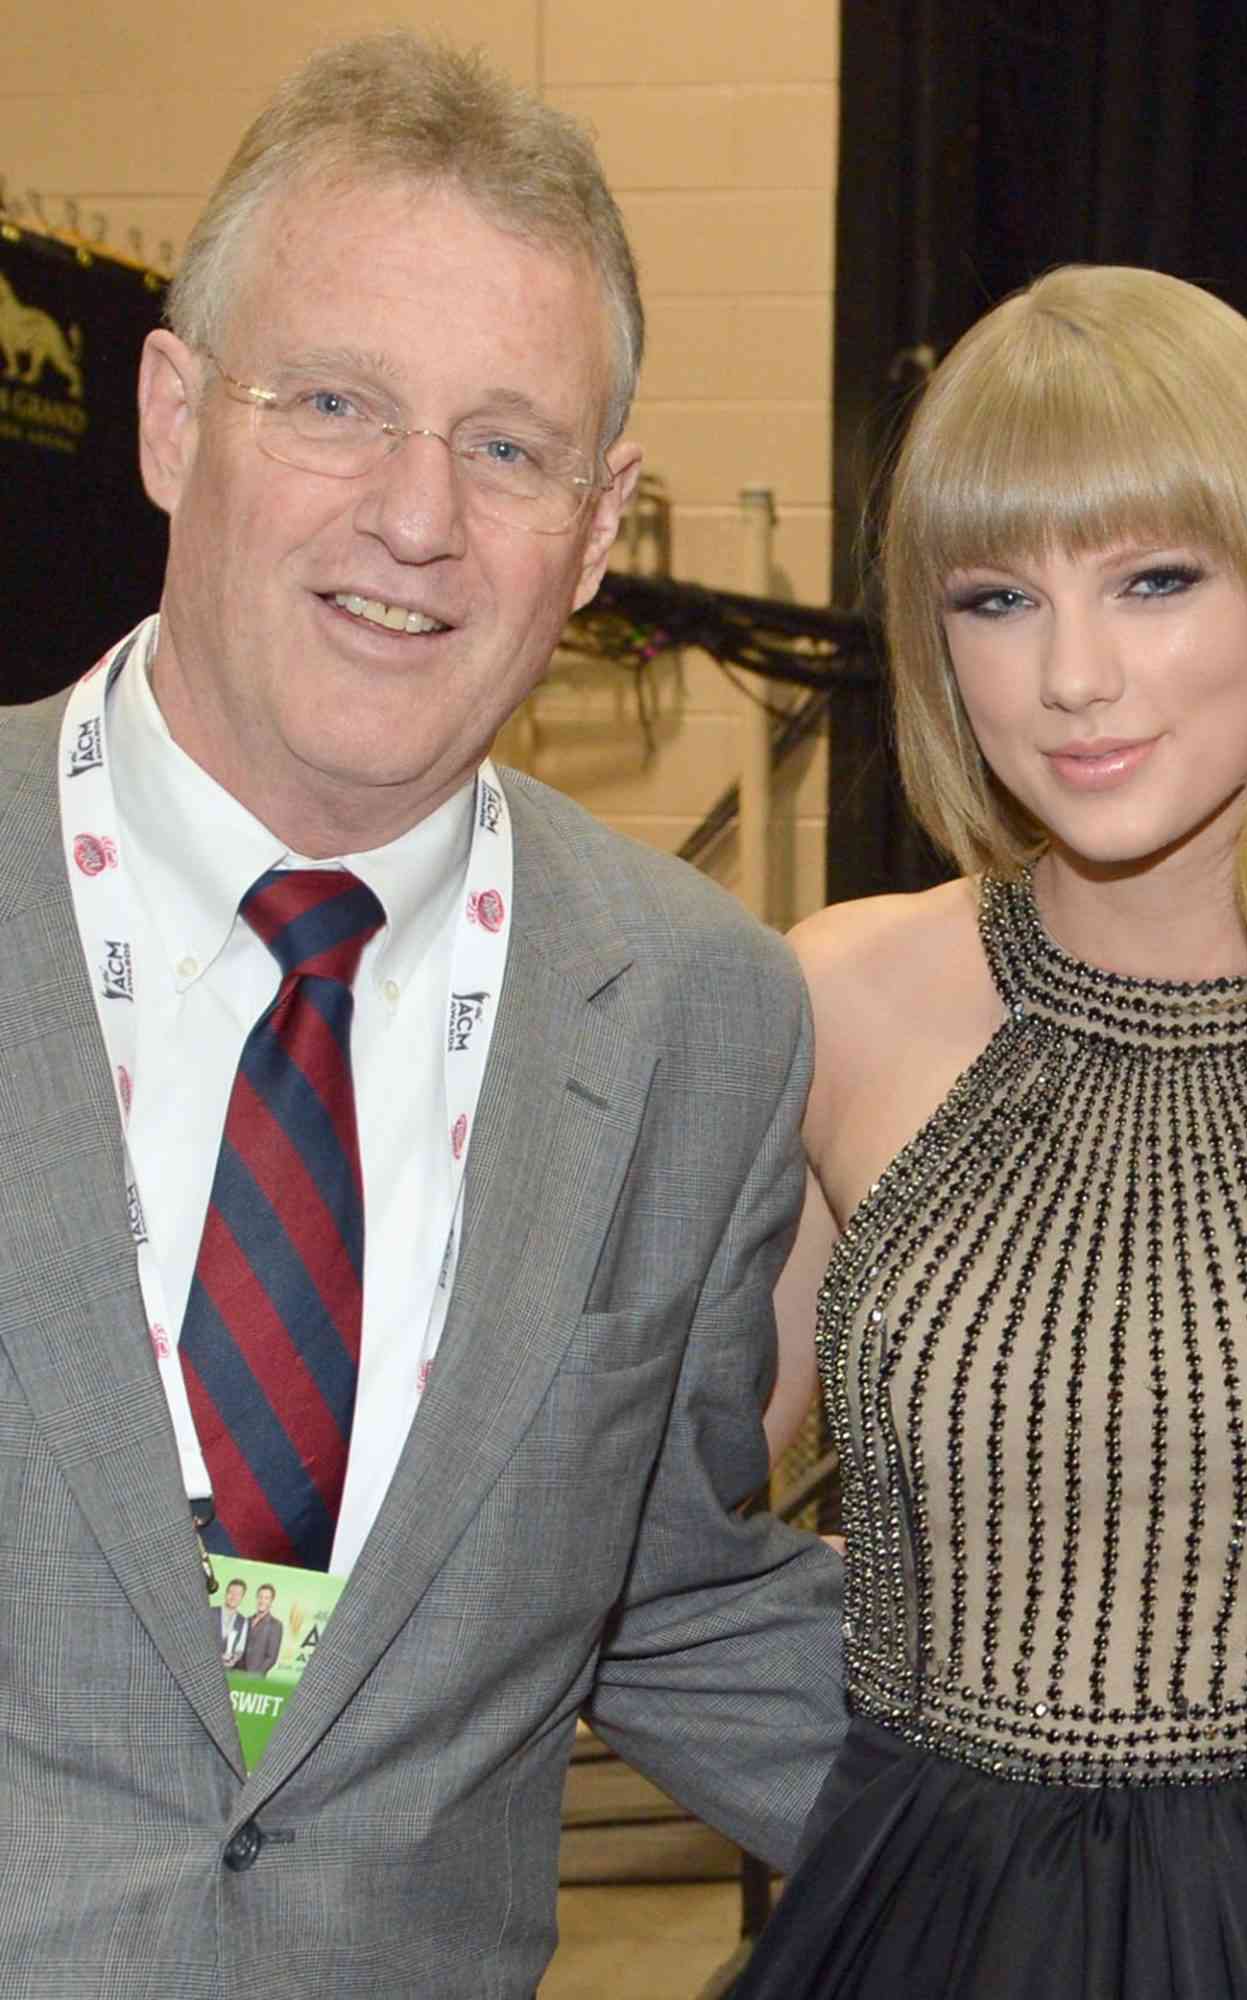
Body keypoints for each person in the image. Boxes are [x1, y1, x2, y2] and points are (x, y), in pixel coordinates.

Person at [0, 31, 842, 1996]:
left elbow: (676, 1593)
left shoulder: (695, 1020)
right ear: (173, 412)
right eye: (338, 403)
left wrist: (1163, 1834)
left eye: (508, 445)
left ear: (600, 524)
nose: (416, 516)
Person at [736, 265, 1247, 1997]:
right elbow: (645, 1541)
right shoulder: (833, 1005)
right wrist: (875, 1765)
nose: (1074, 675)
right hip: (913, 1923)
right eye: (996, 595)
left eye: (1154, 578)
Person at [242, 1583, 282, 1677]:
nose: (262, 1601)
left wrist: (255, 1675)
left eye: (266, 1598)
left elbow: (271, 1658)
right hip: (237, 1674)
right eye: (260, 1597)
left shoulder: (275, 1625)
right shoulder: (247, 1620)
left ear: (271, 1601)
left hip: (255, 1678)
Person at [215, 1576, 249, 1667]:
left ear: (242, 1597)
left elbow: (240, 1649)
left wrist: (233, 1659)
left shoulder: (243, 1621)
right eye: (231, 1592)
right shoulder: (210, 1612)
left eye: (238, 1594)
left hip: (225, 1670)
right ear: (225, 1594)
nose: (234, 1597)